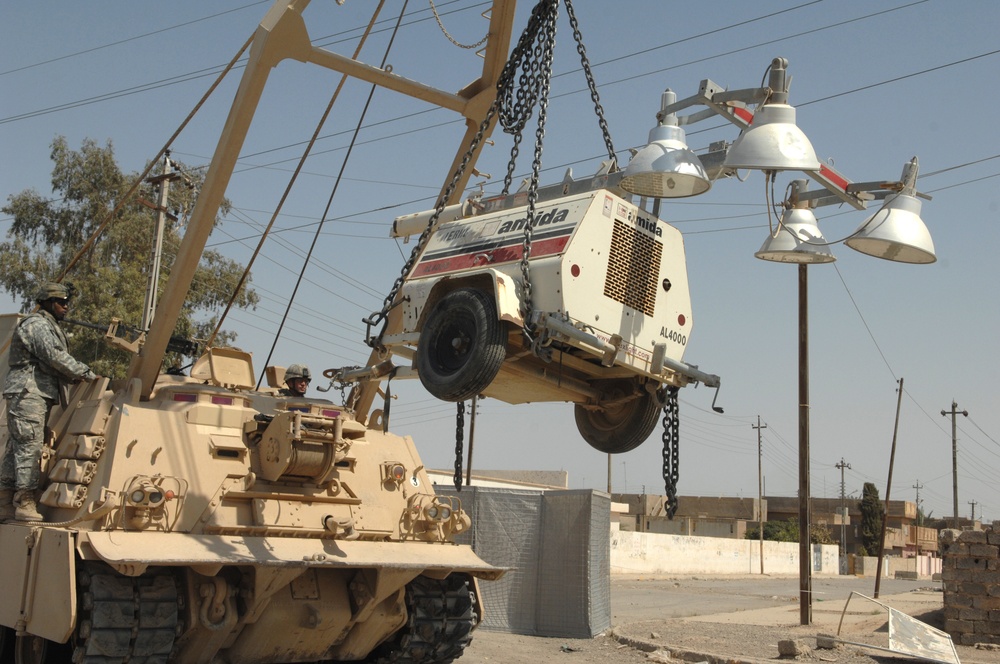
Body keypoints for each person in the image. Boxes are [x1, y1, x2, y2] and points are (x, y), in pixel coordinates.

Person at [0, 282, 98, 522]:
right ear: (46, 302)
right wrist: (87, 373)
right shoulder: (37, 324)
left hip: (33, 393)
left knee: (17, 447)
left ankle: (4, 502)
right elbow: (53, 355)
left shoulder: (48, 325)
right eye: (60, 302)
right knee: (29, 447)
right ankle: (24, 503)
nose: (65, 307)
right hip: (28, 392)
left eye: (67, 303)